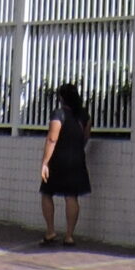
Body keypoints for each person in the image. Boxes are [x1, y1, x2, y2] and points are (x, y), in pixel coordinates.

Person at [38, 81, 91, 245]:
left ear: (61, 98)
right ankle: (69, 236)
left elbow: (52, 139)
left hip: (58, 160)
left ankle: (50, 231)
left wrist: (45, 162)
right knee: (71, 196)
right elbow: (85, 137)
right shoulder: (84, 116)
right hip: (77, 160)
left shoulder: (58, 114)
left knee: (47, 192)